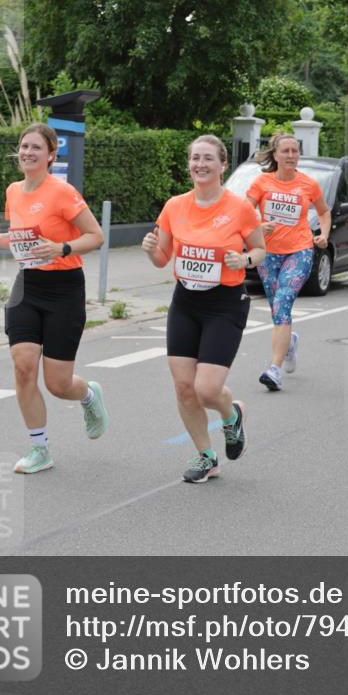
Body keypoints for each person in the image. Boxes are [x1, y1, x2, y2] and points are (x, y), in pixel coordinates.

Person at [0, 122, 108, 474]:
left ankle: (88, 395)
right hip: (27, 288)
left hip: (64, 288)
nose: (27, 153)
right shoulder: (14, 191)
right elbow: (26, 238)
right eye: (23, 146)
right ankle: (39, 448)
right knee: (23, 367)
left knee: (57, 383)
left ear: (51, 155)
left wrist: (62, 247)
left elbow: (95, 236)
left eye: (36, 148)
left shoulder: (62, 192)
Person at [142, 134, 265, 483]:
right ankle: (206, 456)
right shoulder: (175, 206)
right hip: (185, 302)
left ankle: (231, 416)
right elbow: (162, 259)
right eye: (195, 158)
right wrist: (151, 248)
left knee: (207, 390)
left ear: (223, 165)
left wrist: (243, 258)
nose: (200, 164)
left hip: (224, 304)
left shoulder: (239, 207)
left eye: (208, 158)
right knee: (184, 387)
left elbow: (260, 250)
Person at [245, 132, 331, 391]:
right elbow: (243, 211)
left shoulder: (308, 184)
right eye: (286, 151)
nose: (292, 156)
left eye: (295, 151)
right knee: (277, 308)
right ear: (275, 154)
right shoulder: (261, 183)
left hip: (300, 250)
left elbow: (324, 212)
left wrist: (323, 235)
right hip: (267, 252)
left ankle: (274, 369)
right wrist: (259, 226)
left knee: (282, 302)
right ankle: (289, 342)